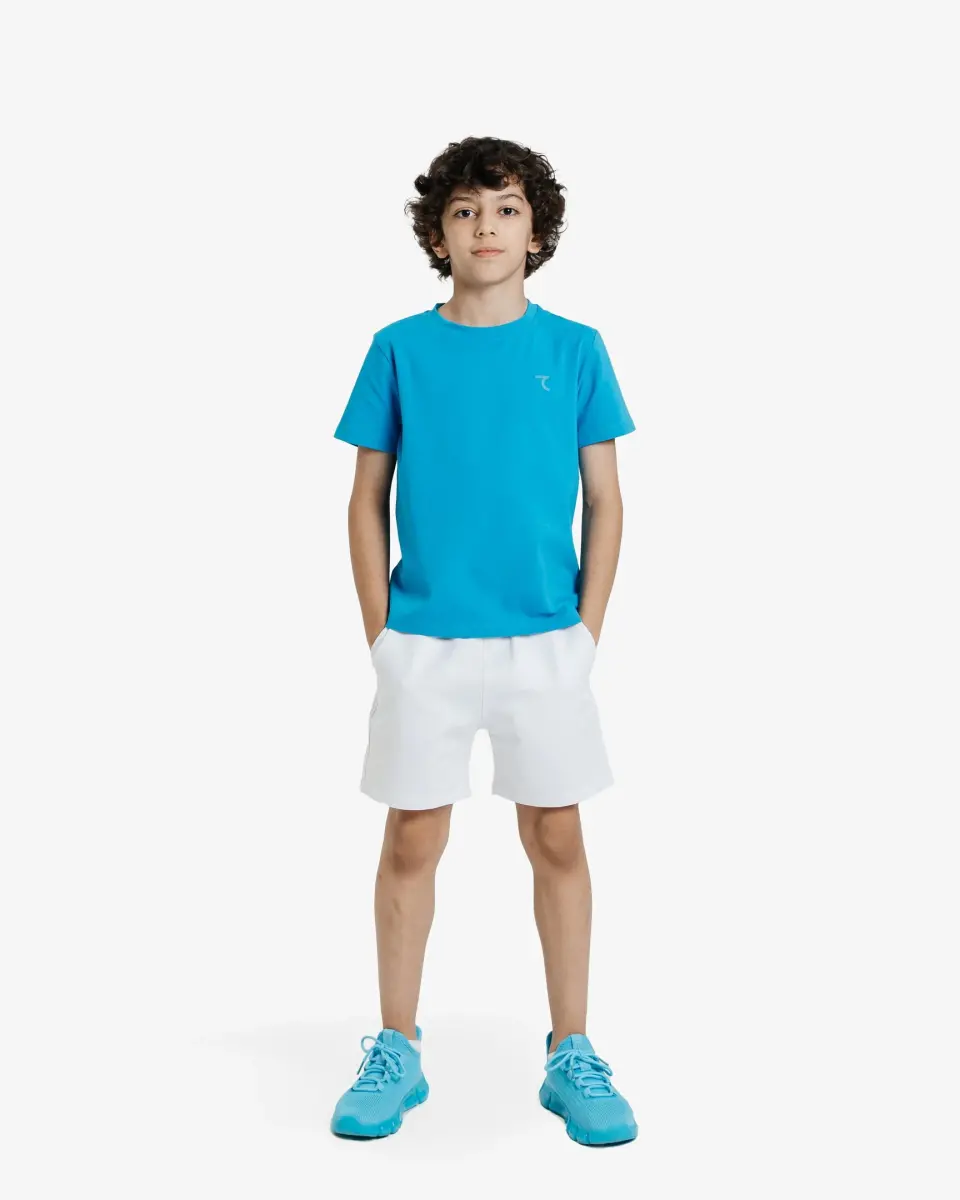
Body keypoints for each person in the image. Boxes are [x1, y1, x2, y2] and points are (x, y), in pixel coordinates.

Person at [330, 136, 638, 1147]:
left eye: (506, 210)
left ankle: (572, 1049)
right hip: (424, 640)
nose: (486, 227)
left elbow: (606, 500)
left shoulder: (576, 350)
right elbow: (366, 500)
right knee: (411, 838)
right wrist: (381, 635)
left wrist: (585, 632)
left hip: (545, 641)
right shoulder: (398, 349)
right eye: (464, 211)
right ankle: (397, 1045)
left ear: (536, 232)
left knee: (557, 835)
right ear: (438, 236)